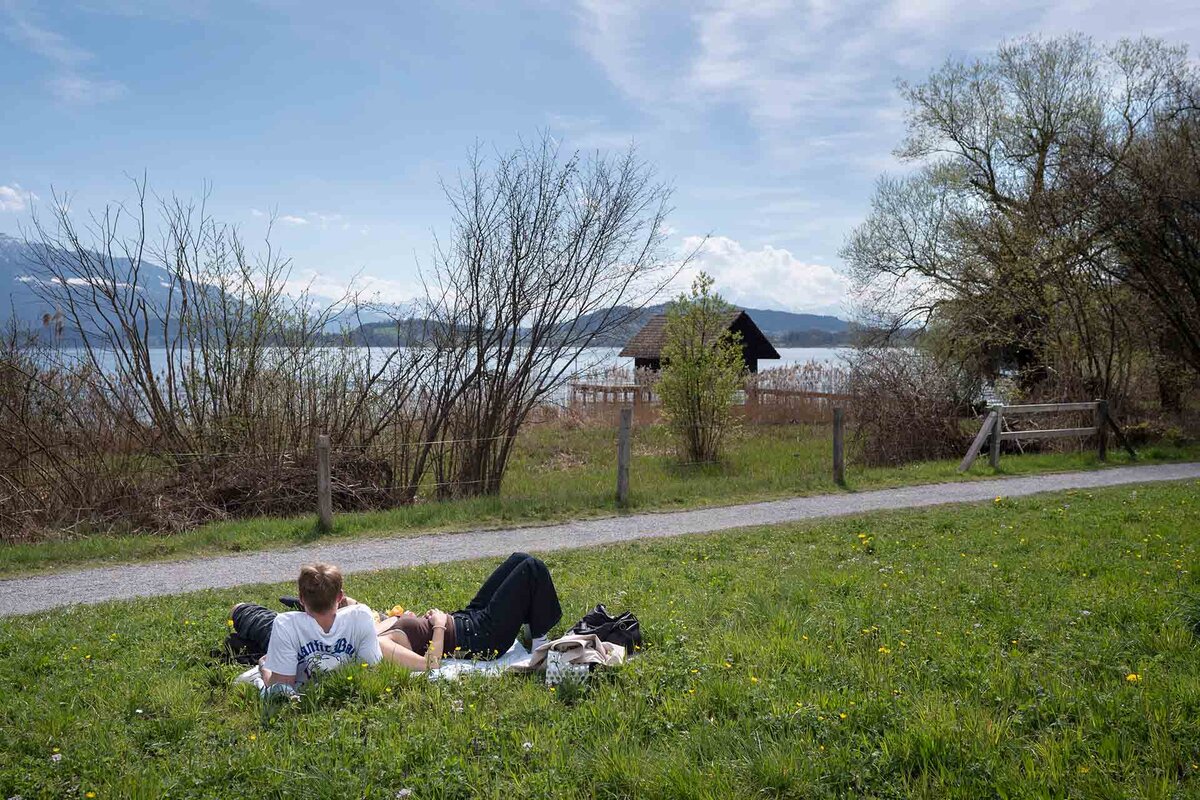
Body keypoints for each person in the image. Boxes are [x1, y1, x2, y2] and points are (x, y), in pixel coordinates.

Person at [375, 552, 562, 671]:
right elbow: (429, 664)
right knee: (531, 568)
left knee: (519, 559)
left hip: (465, 618)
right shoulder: (381, 643)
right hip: (478, 637)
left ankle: (533, 622)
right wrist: (439, 625)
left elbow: (350, 602)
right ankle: (539, 645)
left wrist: (410, 619)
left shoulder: (374, 627)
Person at [230, 562, 381, 689]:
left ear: (301, 598)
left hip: (280, 634)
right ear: (340, 597)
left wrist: (264, 669)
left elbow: (282, 687)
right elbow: (371, 669)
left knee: (239, 609)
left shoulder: (285, 624)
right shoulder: (361, 615)